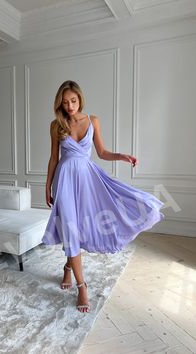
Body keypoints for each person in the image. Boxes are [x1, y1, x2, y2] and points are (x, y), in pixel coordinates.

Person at [42, 80, 164, 313]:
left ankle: (68, 268)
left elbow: (101, 152)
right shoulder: (56, 125)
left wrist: (122, 156)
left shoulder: (92, 121)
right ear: (60, 103)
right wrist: (47, 187)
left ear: (80, 99)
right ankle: (82, 286)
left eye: (73, 101)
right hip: (65, 181)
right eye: (65, 102)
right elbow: (53, 159)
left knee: (82, 227)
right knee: (70, 228)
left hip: (88, 180)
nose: (70, 106)